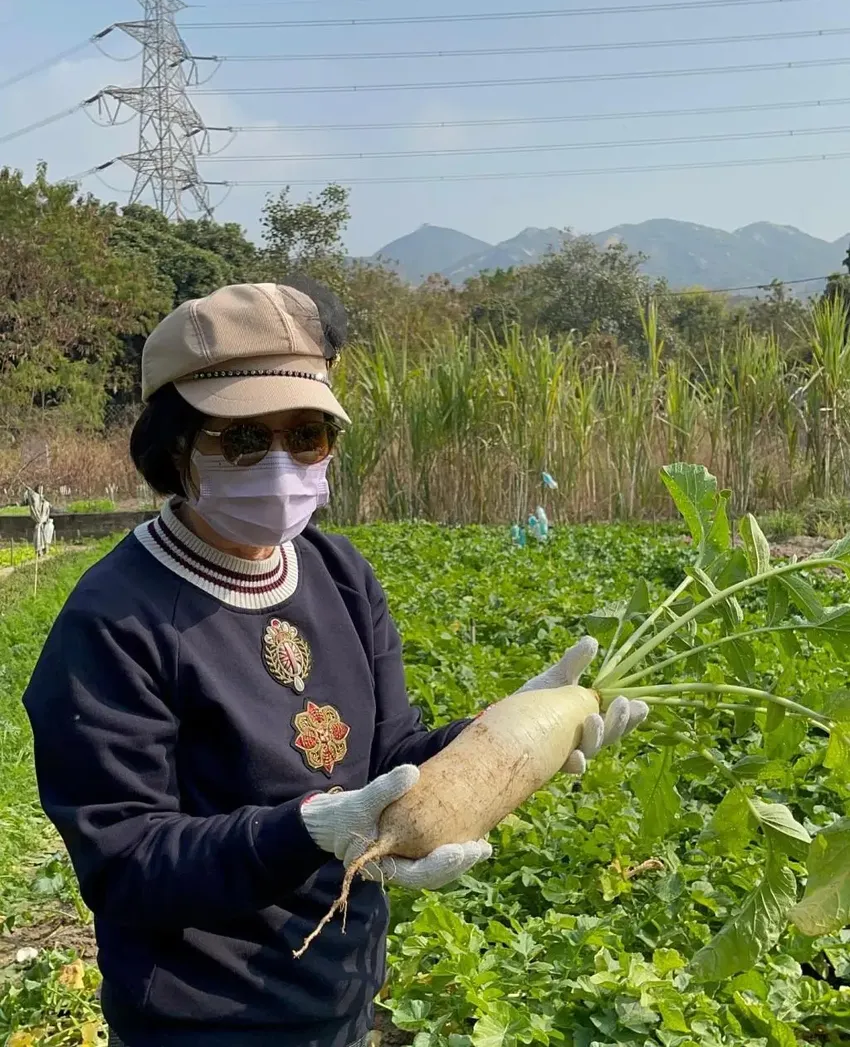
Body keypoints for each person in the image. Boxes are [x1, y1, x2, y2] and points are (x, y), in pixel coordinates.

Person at [22, 280, 647, 1047]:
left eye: (309, 435)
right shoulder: (114, 621)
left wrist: (501, 733)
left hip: (341, 989)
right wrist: (308, 830)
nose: (282, 462)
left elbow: (391, 755)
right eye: (246, 438)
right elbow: (126, 862)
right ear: (175, 445)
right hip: (199, 1019)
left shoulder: (338, 574)